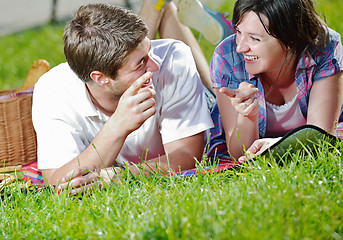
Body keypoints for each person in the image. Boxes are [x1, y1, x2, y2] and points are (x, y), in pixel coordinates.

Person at [32, 3, 214, 193]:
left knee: (213, 94)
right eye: (141, 63)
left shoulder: (171, 59)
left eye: (149, 50)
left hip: (204, 104)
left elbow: (187, 156)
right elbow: (57, 183)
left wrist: (122, 175)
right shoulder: (53, 89)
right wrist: (116, 127)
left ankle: (165, 9)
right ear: (100, 78)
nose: (155, 65)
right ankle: (164, 9)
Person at [209, 0, 343, 161]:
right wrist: (247, 116)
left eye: (254, 39)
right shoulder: (227, 57)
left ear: (290, 39)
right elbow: (240, 155)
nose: (241, 47)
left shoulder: (324, 46)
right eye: (238, 32)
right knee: (206, 98)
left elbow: (319, 137)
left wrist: (278, 145)